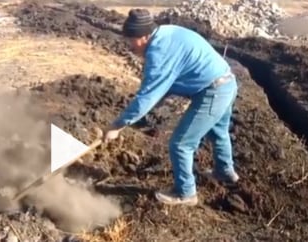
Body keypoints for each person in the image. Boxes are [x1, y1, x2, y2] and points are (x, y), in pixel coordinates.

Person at [103, 9, 240, 206]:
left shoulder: (159, 52)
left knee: (181, 144)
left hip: (213, 91)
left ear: (142, 37)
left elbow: (147, 96)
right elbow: (162, 89)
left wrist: (117, 126)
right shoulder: (166, 32)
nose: (130, 46)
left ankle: (185, 193)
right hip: (226, 82)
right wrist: (140, 114)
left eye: (130, 40)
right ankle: (225, 172)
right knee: (218, 132)